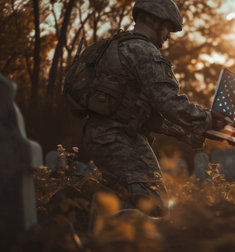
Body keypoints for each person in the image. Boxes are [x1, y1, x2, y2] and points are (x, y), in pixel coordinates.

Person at [82, 0, 224, 217]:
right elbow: (168, 101)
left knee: (120, 198)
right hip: (118, 138)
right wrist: (207, 118)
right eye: (168, 28)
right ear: (154, 20)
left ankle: (86, 222)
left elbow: (142, 114)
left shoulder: (117, 45)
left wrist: (186, 134)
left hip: (104, 136)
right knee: (153, 205)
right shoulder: (144, 51)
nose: (169, 35)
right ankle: (76, 207)